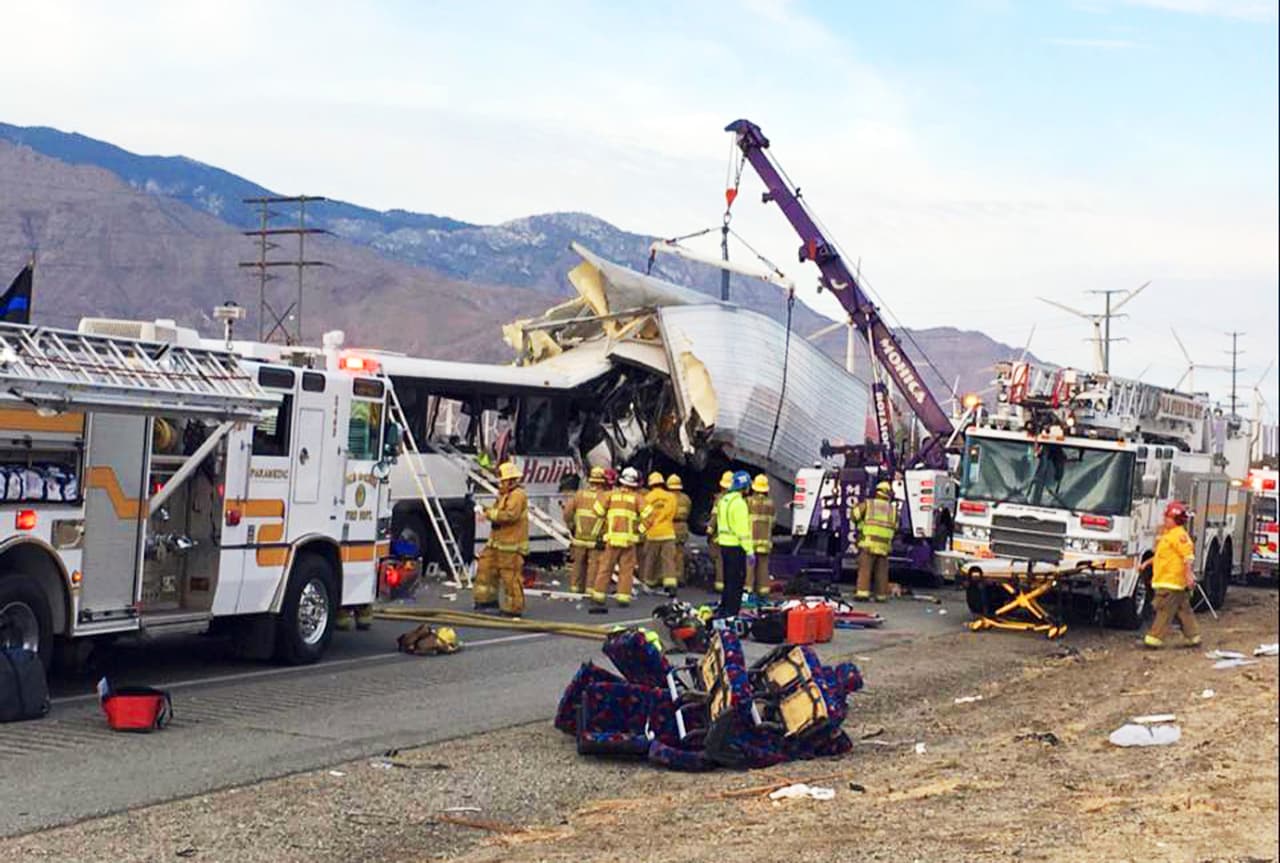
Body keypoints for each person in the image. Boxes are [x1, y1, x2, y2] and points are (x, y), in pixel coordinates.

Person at [1143, 500, 1202, 648]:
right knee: (1183, 610)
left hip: (1171, 581)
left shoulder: (1179, 536)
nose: (1164, 519)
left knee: (1164, 610)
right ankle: (1193, 636)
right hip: (1172, 582)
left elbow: (1188, 557)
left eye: (1167, 517)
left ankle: (1154, 639)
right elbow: (1161, 555)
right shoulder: (1169, 535)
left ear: (1176, 519)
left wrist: (1188, 575)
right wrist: (1146, 563)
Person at [474, 461, 529, 617]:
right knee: (485, 568)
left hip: (511, 545)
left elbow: (510, 515)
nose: (500, 483)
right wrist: (486, 510)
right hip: (496, 543)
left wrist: (489, 514)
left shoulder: (518, 495)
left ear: (510, 480)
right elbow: (497, 512)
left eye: (502, 480)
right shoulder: (504, 494)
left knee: (510, 576)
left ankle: (513, 608)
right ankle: (486, 600)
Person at [588, 466, 643, 613]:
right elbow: (650, 517)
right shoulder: (637, 498)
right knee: (626, 570)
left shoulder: (610, 496)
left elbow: (597, 511)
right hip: (629, 541)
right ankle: (623, 598)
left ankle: (599, 596)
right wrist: (639, 531)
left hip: (612, 539)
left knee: (605, 568)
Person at [562, 466, 606, 594]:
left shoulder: (579, 495)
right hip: (595, 539)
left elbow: (567, 513)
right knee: (593, 564)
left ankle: (575, 587)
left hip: (579, 537)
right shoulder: (605, 497)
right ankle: (590, 589)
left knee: (578, 564)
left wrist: (571, 526)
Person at [852, 480, 898, 602]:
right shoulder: (893, 510)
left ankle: (862, 593)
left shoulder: (869, 504)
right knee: (881, 572)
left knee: (865, 569)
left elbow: (854, 515)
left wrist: (856, 508)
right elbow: (896, 526)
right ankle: (881, 595)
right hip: (884, 546)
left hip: (869, 543)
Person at [715, 470, 752, 618]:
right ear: (745, 486)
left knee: (728, 580)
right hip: (736, 547)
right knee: (736, 582)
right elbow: (742, 530)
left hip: (724, 544)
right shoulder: (739, 504)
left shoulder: (724, 500)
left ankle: (724, 609)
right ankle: (731, 612)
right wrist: (749, 551)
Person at [640, 471, 678, 595]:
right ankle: (670, 585)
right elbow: (674, 513)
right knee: (669, 560)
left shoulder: (647, 498)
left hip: (652, 533)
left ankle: (649, 582)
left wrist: (640, 531)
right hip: (668, 533)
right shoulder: (671, 497)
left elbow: (645, 516)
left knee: (650, 559)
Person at [745, 474, 776, 600]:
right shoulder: (771, 504)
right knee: (763, 567)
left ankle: (748, 590)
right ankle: (763, 591)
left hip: (751, 541)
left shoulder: (749, 502)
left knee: (750, 567)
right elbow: (773, 522)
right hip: (765, 542)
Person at [708, 470, 733, 593]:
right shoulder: (738, 500)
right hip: (733, 537)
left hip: (720, 536)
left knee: (719, 560)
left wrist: (709, 531)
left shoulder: (720, 500)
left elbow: (714, 517)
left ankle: (720, 585)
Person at [669, 473, 692, 587]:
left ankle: (671, 577)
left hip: (671, 526)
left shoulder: (668, 498)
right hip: (682, 527)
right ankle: (680, 577)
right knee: (680, 553)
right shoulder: (686, 498)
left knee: (670, 554)